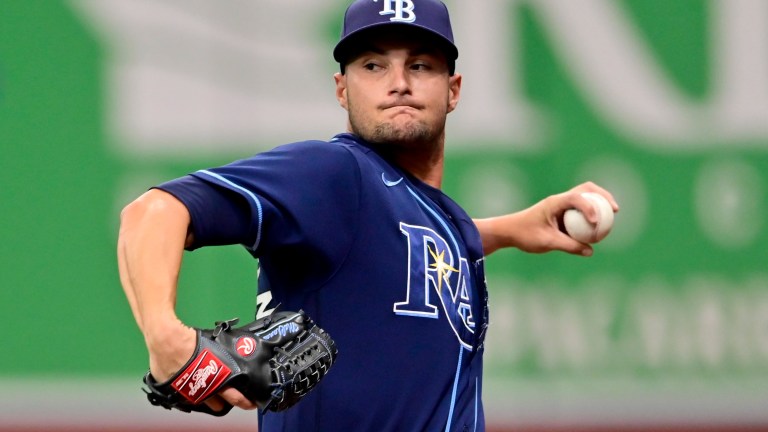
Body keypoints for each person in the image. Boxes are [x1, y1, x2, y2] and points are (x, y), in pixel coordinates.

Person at [117, 0, 619, 430]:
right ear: (341, 89)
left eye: (420, 65)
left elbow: (404, 249)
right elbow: (152, 212)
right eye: (373, 66)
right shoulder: (335, 174)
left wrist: (509, 229)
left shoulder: (434, 220)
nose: (398, 83)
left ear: (454, 89)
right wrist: (165, 337)